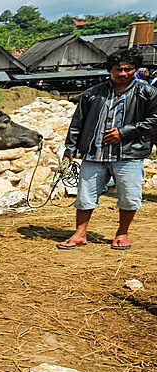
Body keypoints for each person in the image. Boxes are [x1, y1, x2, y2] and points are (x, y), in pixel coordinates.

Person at [57, 48, 157, 250]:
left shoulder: (147, 93)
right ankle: (80, 234)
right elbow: (78, 122)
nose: (123, 73)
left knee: (129, 196)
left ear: (135, 70)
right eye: (118, 69)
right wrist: (70, 150)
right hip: (94, 154)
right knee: (85, 195)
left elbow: (154, 120)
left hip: (128, 155)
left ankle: (122, 234)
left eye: (128, 69)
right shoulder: (93, 94)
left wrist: (124, 132)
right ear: (109, 70)